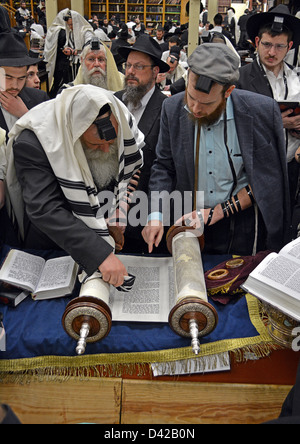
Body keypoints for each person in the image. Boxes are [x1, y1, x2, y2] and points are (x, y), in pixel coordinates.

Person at [142, 43, 291, 257]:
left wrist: (218, 212)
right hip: (189, 221)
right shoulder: (172, 108)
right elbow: (164, 167)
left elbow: (266, 179)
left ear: (228, 92)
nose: (195, 109)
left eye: (207, 103)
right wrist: (155, 214)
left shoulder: (261, 112)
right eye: (191, 98)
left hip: (241, 223)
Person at [5, 85, 144, 287]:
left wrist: (118, 207)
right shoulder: (34, 142)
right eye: (96, 146)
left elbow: (132, 162)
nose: (106, 151)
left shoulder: (120, 118)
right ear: (74, 134)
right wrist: (100, 254)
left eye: (111, 143)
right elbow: (46, 209)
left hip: (101, 236)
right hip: (55, 248)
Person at [236, 5, 300, 236]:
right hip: (255, 171)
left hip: (292, 166)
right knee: (257, 230)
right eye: (266, 44)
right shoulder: (240, 78)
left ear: (289, 47)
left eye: (279, 46)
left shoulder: (297, 79)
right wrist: (278, 123)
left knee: (285, 226)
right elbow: (233, 125)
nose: (272, 52)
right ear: (256, 42)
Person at [115, 35, 169, 253]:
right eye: (128, 65)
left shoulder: (167, 108)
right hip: (108, 213)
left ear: (155, 73)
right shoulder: (113, 101)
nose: (130, 71)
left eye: (139, 67)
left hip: (145, 218)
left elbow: (165, 167)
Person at [0, 31, 49, 140]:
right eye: (8, 77)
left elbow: (52, 139)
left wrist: (26, 115)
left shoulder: (39, 99)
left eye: (21, 78)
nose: (15, 86)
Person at [43, 9, 94, 97]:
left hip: (83, 65)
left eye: (71, 24)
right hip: (72, 65)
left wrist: (73, 52)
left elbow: (90, 49)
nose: (70, 27)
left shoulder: (87, 32)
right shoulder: (71, 33)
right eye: (68, 25)